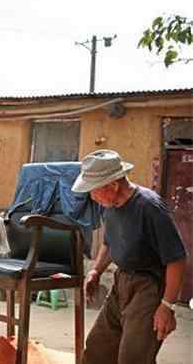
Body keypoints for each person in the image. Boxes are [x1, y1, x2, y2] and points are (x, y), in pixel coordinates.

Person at [71, 149, 186, 364]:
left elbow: (177, 259)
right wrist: (96, 270)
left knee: (133, 357)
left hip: (148, 287)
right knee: (98, 348)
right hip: (121, 282)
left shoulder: (149, 207)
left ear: (113, 185)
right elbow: (109, 242)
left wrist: (166, 306)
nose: (91, 197)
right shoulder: (109, 205)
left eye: (94, 191)